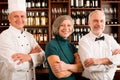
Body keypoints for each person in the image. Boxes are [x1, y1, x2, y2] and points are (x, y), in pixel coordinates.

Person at [0, 0, 45, 80]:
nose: (19, 19)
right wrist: (33, 57)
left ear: (26, 18)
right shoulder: (4, 36)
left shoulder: (30, 36)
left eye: (22, 16)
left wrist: (28, 57)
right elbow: (14, 65)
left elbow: (43, 57)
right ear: (9, 18)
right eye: (15, 16)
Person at [78, 10, 120, 80]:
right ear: (89, 23)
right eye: (95, 21)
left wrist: (99, 61)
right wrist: (112, 64)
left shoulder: (110, 39)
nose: (99, 24)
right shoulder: (84, 41)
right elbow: (89, 67)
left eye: (101, 21)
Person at [45, 15, 83, 80]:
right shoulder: (51, 45)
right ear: (57, 27)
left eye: (69, 25)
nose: (66, 28)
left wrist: (65, 66)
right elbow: (59, 74)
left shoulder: (71, 46)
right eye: (62, 25)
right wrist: (74, 68)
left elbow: (81, 68)